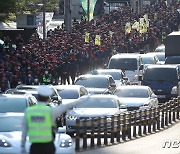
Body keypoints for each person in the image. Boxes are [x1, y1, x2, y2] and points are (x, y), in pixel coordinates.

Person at [21, 85, 89, 154]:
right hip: (48, 146)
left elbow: (24, 130)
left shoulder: (28, 111)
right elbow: (67, 105)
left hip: (35, 147)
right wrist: (84, 99)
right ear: (48, 98)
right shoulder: (50, 111)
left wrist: (22, 146)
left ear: (37, 97)